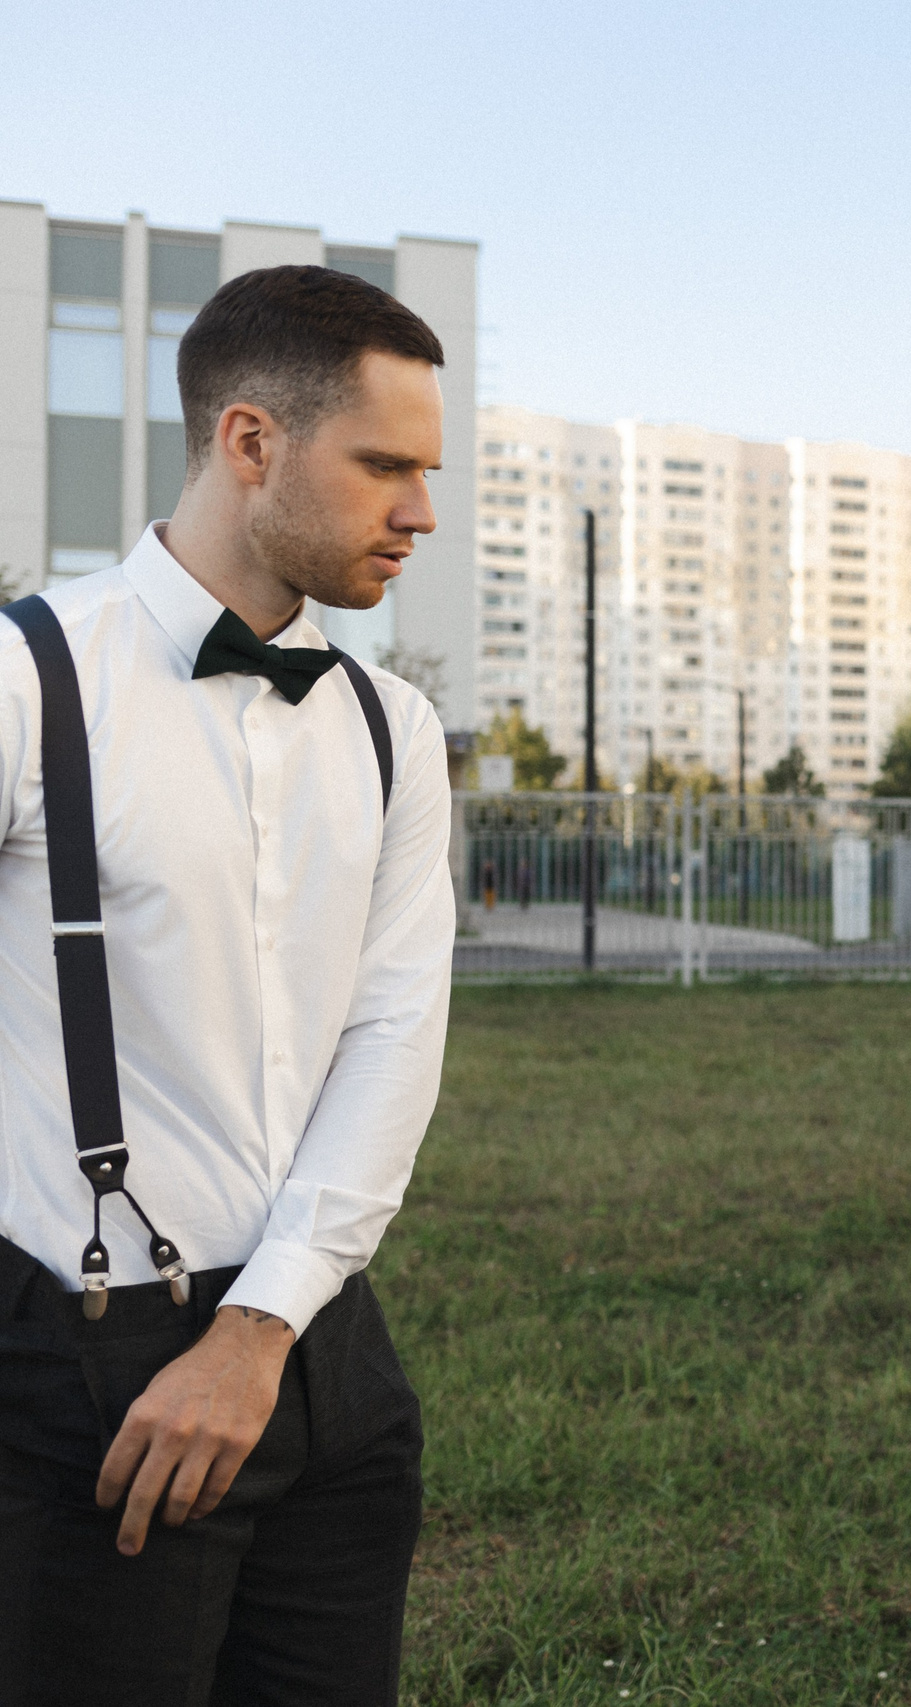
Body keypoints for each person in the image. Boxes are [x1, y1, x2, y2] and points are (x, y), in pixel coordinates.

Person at [0, 266, 457, 1704]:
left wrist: (265, 1325)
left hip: (330, 1350)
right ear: (250, 441)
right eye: (384, 464)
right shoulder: (31, 680)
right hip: (89, 1370)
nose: (421, 512)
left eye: (426, 469)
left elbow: (394, 1033)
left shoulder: (395, 728)